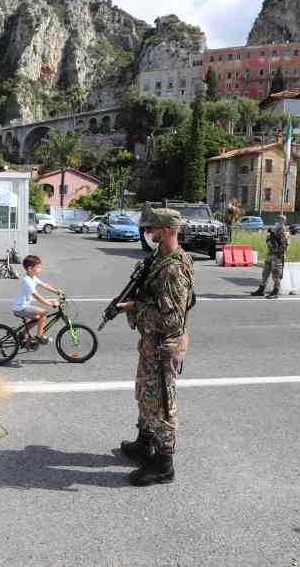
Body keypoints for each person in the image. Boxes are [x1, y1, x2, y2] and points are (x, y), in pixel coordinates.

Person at [115, 208, 195, 487]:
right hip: (151, 343)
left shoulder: (173, 267)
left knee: (162, 404)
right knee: (145, 394)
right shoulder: (159, 259)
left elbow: (171, 319)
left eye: (153, 228)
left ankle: (163, 464)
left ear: (168, 230)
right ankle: (145, 443)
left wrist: (134, 308)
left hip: (164, 344)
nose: (148, 232)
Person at [11, 255, 63, 344]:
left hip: (23, 305)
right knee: (43, 313)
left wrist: (57, 292)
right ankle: (40, 336)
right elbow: (37, 297)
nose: (40, 269)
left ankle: (22, 334)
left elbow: (44, 285)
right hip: (20, 307)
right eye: (38, 267)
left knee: (38, 318)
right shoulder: (27, 281)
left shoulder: (32, 277)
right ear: (30, 269)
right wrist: (50, 304)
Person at [251, 215, 290, 298]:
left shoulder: (284, 232)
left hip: (278, 256)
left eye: (279, 220)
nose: (277, 222)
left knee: (276, 274)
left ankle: (276, 291)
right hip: (270, 255)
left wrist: (276, 246)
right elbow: (268, 241)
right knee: (265, 272)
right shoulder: (274, 230)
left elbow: (285, 246)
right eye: (277, 220)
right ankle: (261, 289)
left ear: (283, 222)